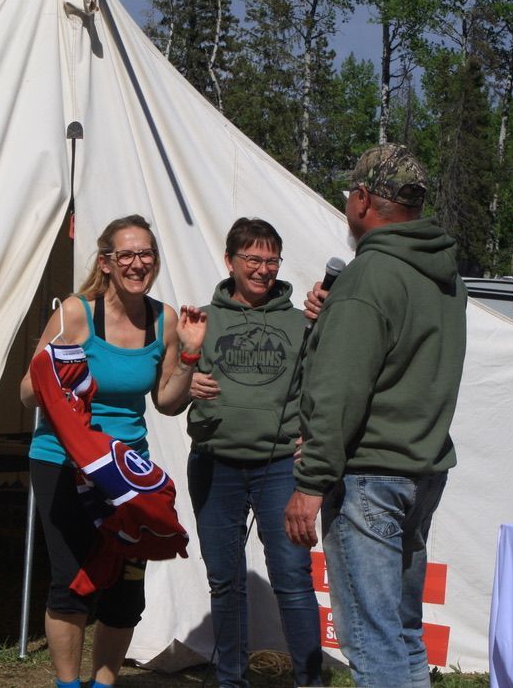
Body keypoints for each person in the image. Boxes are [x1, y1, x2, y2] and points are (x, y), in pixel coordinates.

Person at [285, 143, 468, 687]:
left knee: (372, 639)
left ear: (363, 200)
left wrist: (311, 482)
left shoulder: (371, 274)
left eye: (350, 197)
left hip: (369, 477)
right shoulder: (444, 276)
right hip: (422, 468)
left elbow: (340, 388)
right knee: (403, 633)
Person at [20, 214, 207, 688]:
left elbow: (165, 402)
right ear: (106, 262)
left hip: (126, 473)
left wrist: (188, 358)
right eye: (126, 254)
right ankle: (68, 685)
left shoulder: (164, 320)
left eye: (145, 254)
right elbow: (27, 390)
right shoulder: (76, 314)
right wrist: (62, 382)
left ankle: (103, 685)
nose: (137, 263)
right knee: (72, 579)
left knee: (126, 591)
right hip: (63, 463)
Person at [185, 217, 323, 688]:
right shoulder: (201, 319)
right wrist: (187, 375)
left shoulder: (302, 321)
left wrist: (312, 435)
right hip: (214, 464)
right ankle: (231, 680)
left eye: (271, 260)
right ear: (230, 261)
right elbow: (167, 390)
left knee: (292, 576)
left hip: (280, 466)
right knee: (225, 582)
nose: (263, 269)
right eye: (253, 259)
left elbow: (321, 388)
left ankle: (310, 679)